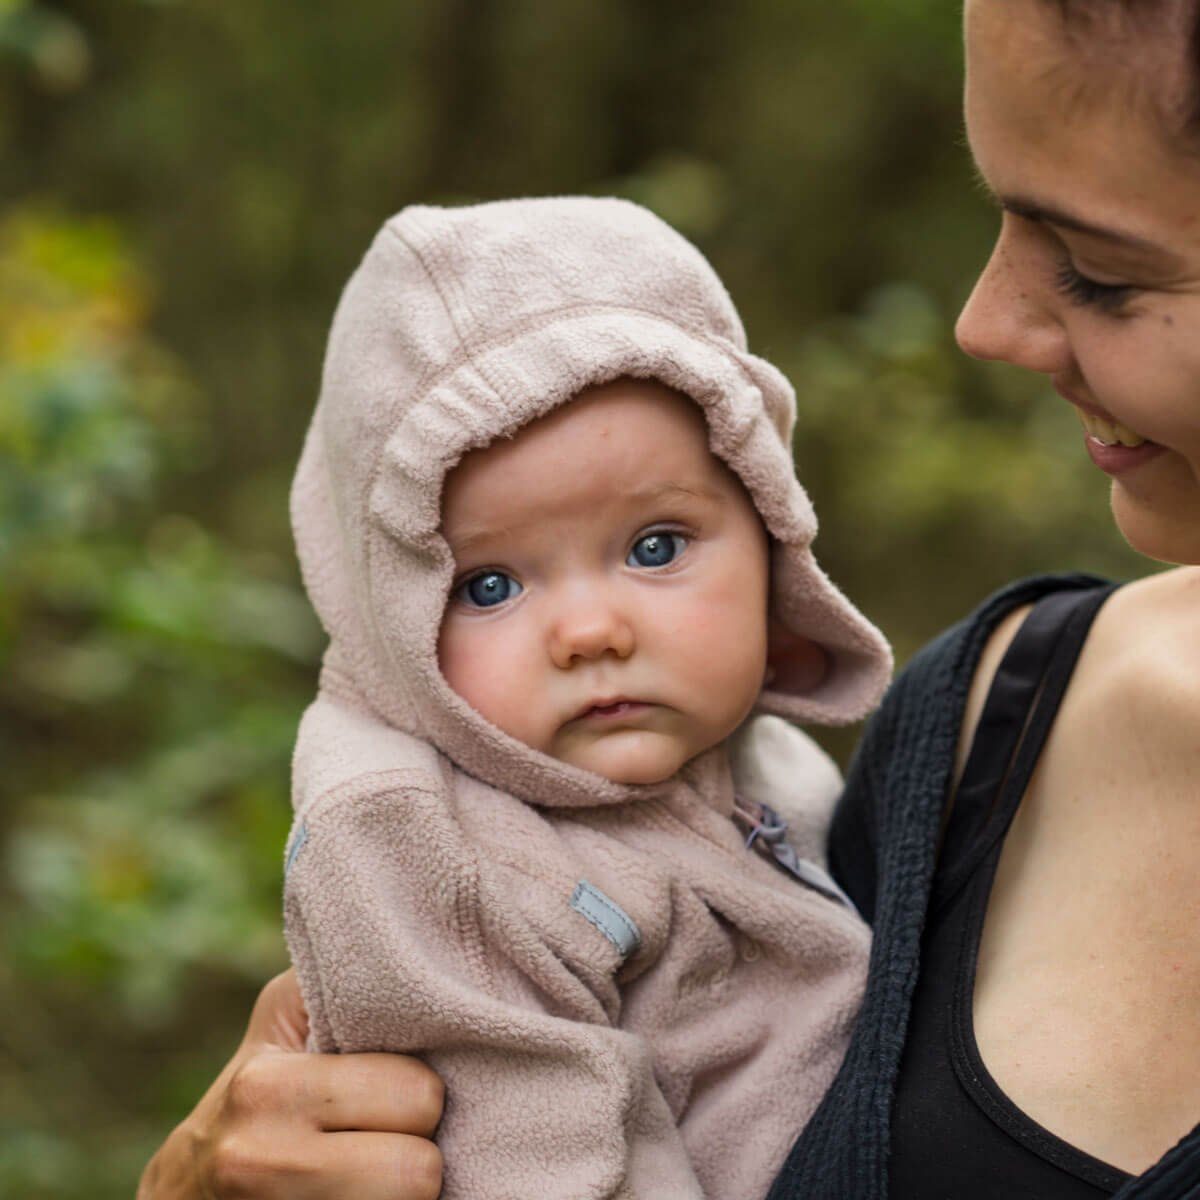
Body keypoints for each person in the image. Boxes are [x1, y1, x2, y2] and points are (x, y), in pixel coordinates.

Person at [138, 0, 1200, 1196]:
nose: (983, 322)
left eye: (1100, 271)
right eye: (488, 584)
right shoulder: (970, 734)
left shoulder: (771, 767)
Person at [279, 195, 891, 1199]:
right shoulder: (419, 852)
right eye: (490, 586)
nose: (590, 632)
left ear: (771, 528)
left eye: (656, 548)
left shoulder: (760, 754)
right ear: (391, 613)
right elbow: (539, 1165)